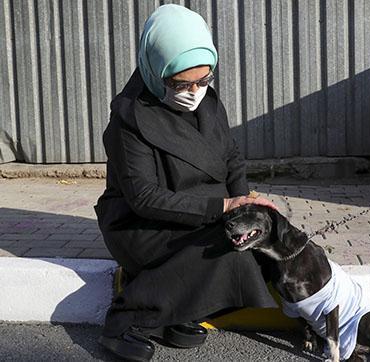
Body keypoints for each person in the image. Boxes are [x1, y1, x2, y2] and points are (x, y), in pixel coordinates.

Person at [94, 5, 278, 361]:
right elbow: (144, 197)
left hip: (201, 211)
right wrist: (224, 207)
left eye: (203, 80)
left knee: (255, 236)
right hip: (142, 224)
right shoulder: (128, 119)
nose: (194, 91)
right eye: (181, 83)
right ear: (155, 69)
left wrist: (243, 201)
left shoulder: (208, 102)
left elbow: (230, 155)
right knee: (225, 250)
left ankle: (177, 314)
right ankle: (127, 321)